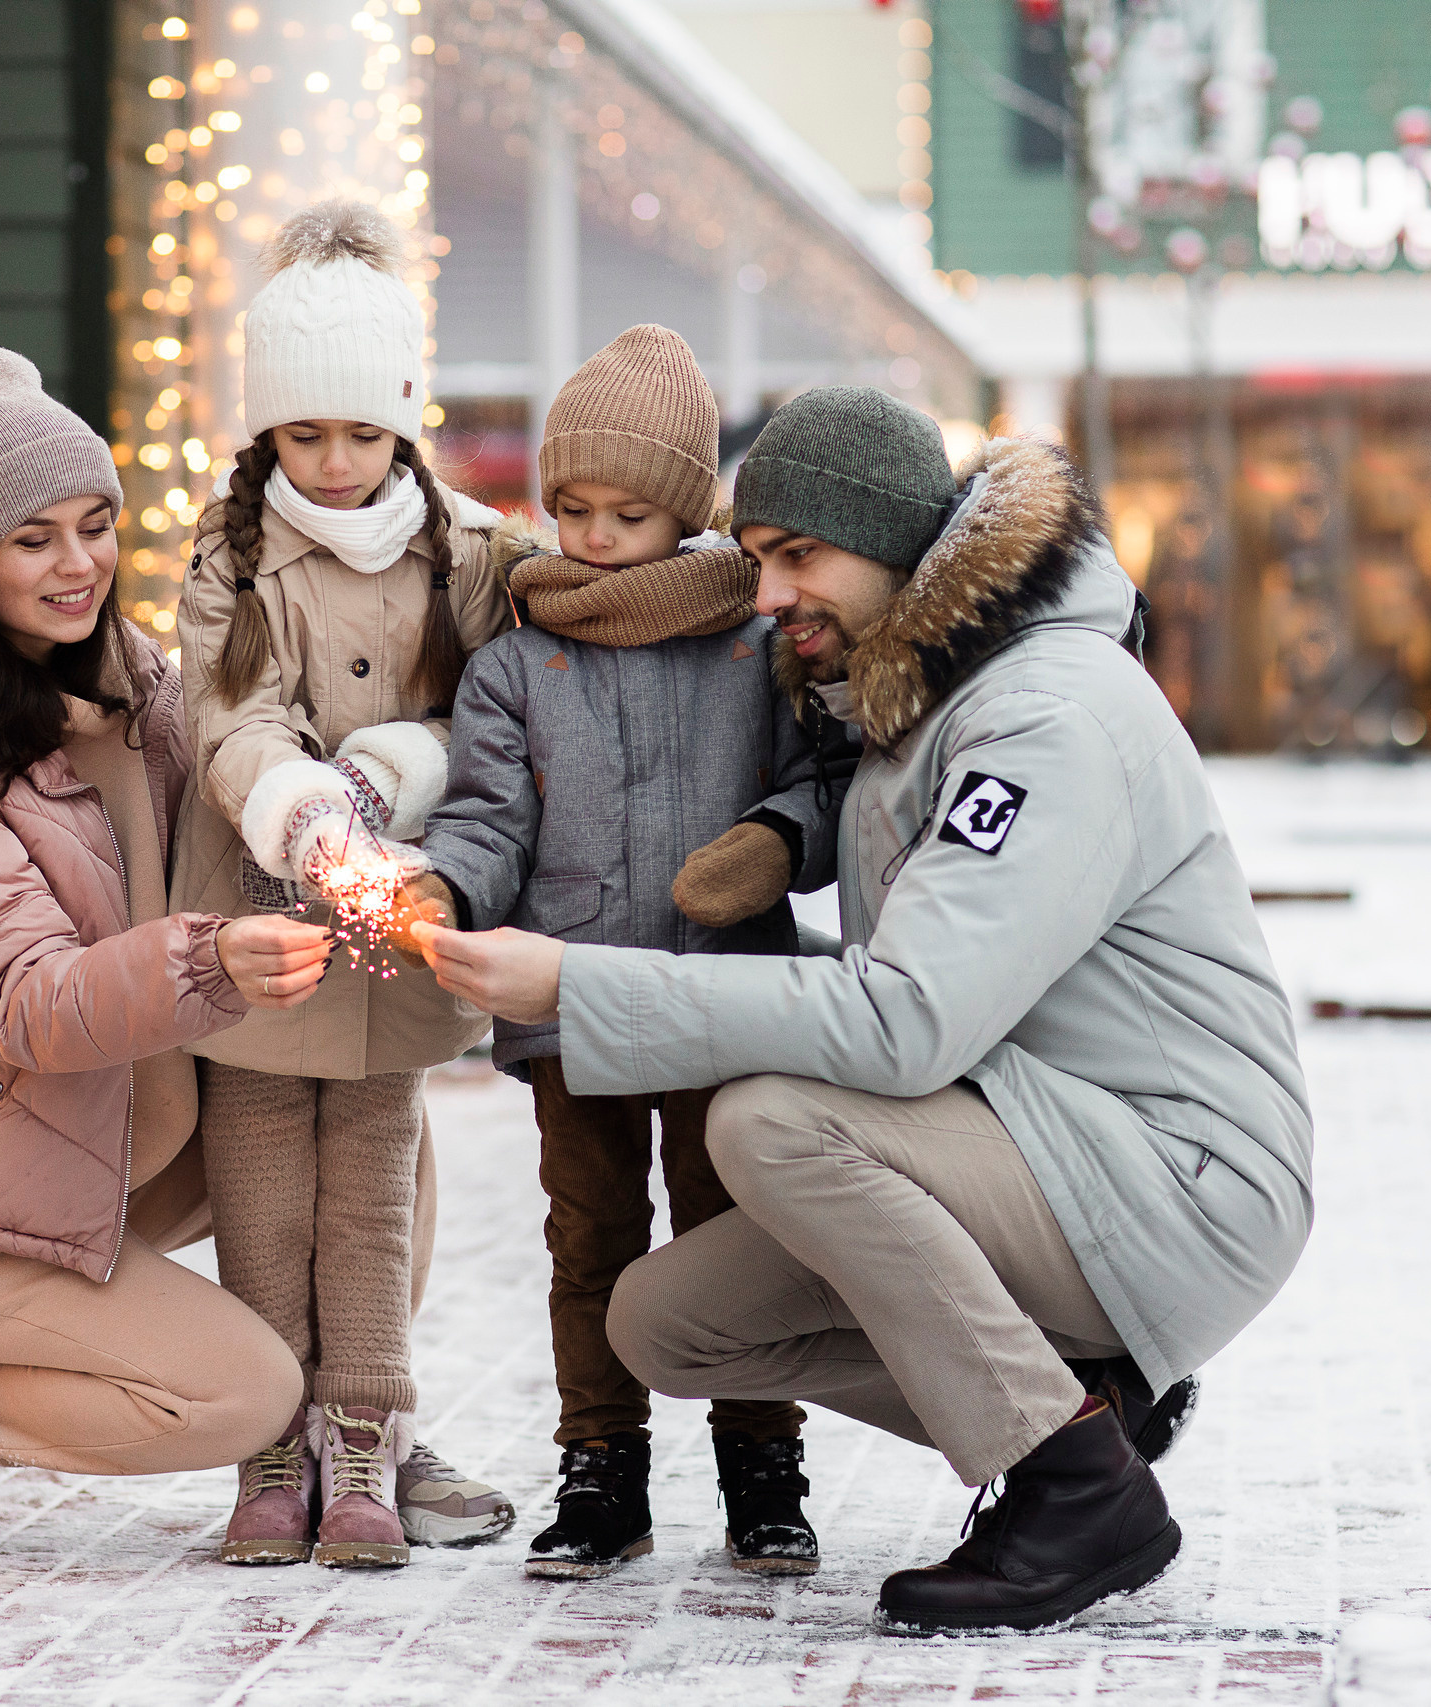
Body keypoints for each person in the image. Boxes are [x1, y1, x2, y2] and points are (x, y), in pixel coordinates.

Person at [415, 388, 1314, 1635]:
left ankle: (1072, 1485)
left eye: (798, 559)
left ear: (893, 547)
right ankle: (1084, 1402)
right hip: (1039, 1138)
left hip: (1173, 1173)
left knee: (773, 1121)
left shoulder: (1041, 715)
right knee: (665, 1324)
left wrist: (579, 984)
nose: (768, 595)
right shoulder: (922, 697)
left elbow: (905, 1023)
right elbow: (930, 985)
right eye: (759, 558)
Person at [0, 341, 339, 1554]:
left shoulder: (122, 677)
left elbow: (230, 788)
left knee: (353, 1130)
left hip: (98, 1140)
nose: (79, 562)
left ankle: (358, 1427)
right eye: (33, 537)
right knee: (235, 1393)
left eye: (95, 524)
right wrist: (208, 961)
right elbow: (24, 1002)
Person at [405, 326, 838, 1579]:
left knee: (739, 1231)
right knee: (589, 1239)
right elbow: (490, 817)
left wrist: (772, 839)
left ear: (689, 512)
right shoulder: (514, 664)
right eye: (573, 508)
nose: (593, 537)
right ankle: (603, 1470)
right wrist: (446, 883)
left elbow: (829, 785)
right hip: (569, 1005)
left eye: (629, 513)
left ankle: (763, 1465)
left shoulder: (755, 648)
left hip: (723, 996)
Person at [171, 201, 518, 1568]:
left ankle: (362, 1431)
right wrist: (310, 812)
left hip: (396, 922)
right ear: (267, 432)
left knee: (368, 1180)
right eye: (302, 434)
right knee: (259, 1176)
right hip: (265, 909)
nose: (331, 460)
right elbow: (226, 716)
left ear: (402, 424)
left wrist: (392, 770)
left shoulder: (468, 555)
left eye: (358, 433)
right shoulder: (232, 552)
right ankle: (270, 1443)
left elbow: (494, 715)